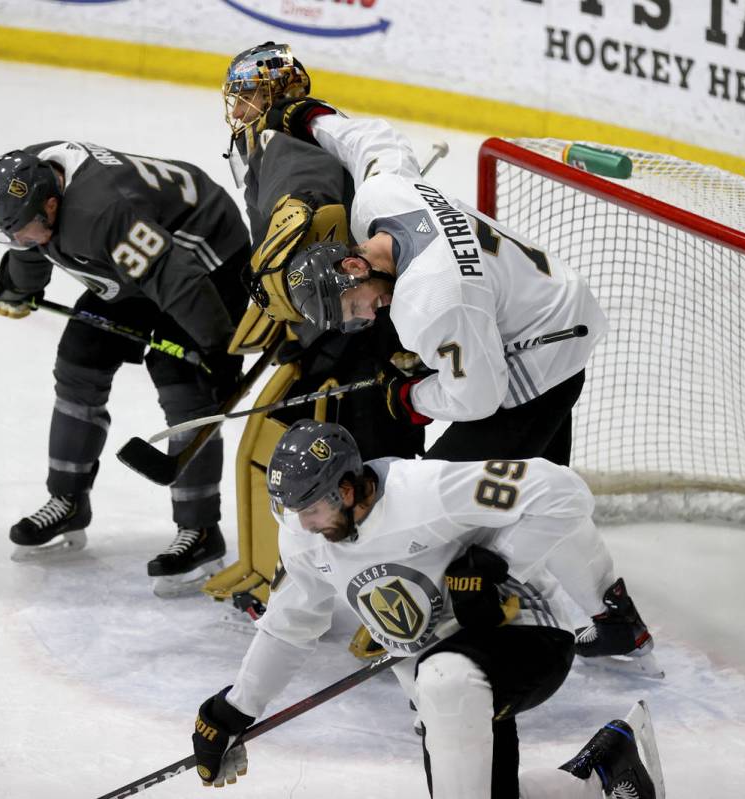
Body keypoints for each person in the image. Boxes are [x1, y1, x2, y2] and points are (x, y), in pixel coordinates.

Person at [256, 102, 651, 661]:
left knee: (452, 502)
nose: (363, 319)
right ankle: (613, 616)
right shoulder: (382, 198)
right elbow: (374, 139)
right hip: (546, 304)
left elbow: (478, 395)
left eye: (353, 306)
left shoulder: (431, 301)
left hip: (541, 355)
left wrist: (410, 396)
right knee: (537, 488)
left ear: (352, 266)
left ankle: (445, 625)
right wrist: (314, 118)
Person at [191, 420, 665, 798]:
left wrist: (495, 563)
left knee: (445, 677)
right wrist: (235, 710)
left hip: (522, 630)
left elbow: (563, 491)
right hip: (438, 685)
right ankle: (605, 770)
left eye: (312, 509)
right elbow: (289, 628)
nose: (303, 524)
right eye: (292, 511)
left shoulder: (425, 489)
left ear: (349, 490)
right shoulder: (304, 536)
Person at [200, 43, 425, 630]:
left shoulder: (291, 144)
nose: (239, 107)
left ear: (272, 96)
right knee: (270, 447)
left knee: (377, 467)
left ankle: (408, 593)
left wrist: (297, 320)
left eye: (248, 94)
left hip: (359, 331)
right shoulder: (265, 141)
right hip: (327, 326)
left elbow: (315, 216)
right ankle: (267, 570)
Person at [0, 142, 250, 596]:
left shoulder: (100, 212)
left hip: (205, 259)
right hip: (144, 257)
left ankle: (201, 531)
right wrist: (17, 284)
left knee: (183, 379)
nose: (20, 239)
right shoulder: (33, 186)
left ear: (51, 203)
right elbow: (30, 246)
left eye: (25, 230)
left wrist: (219, 350)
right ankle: (68, 500)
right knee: (79, 359)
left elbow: (173, 276)